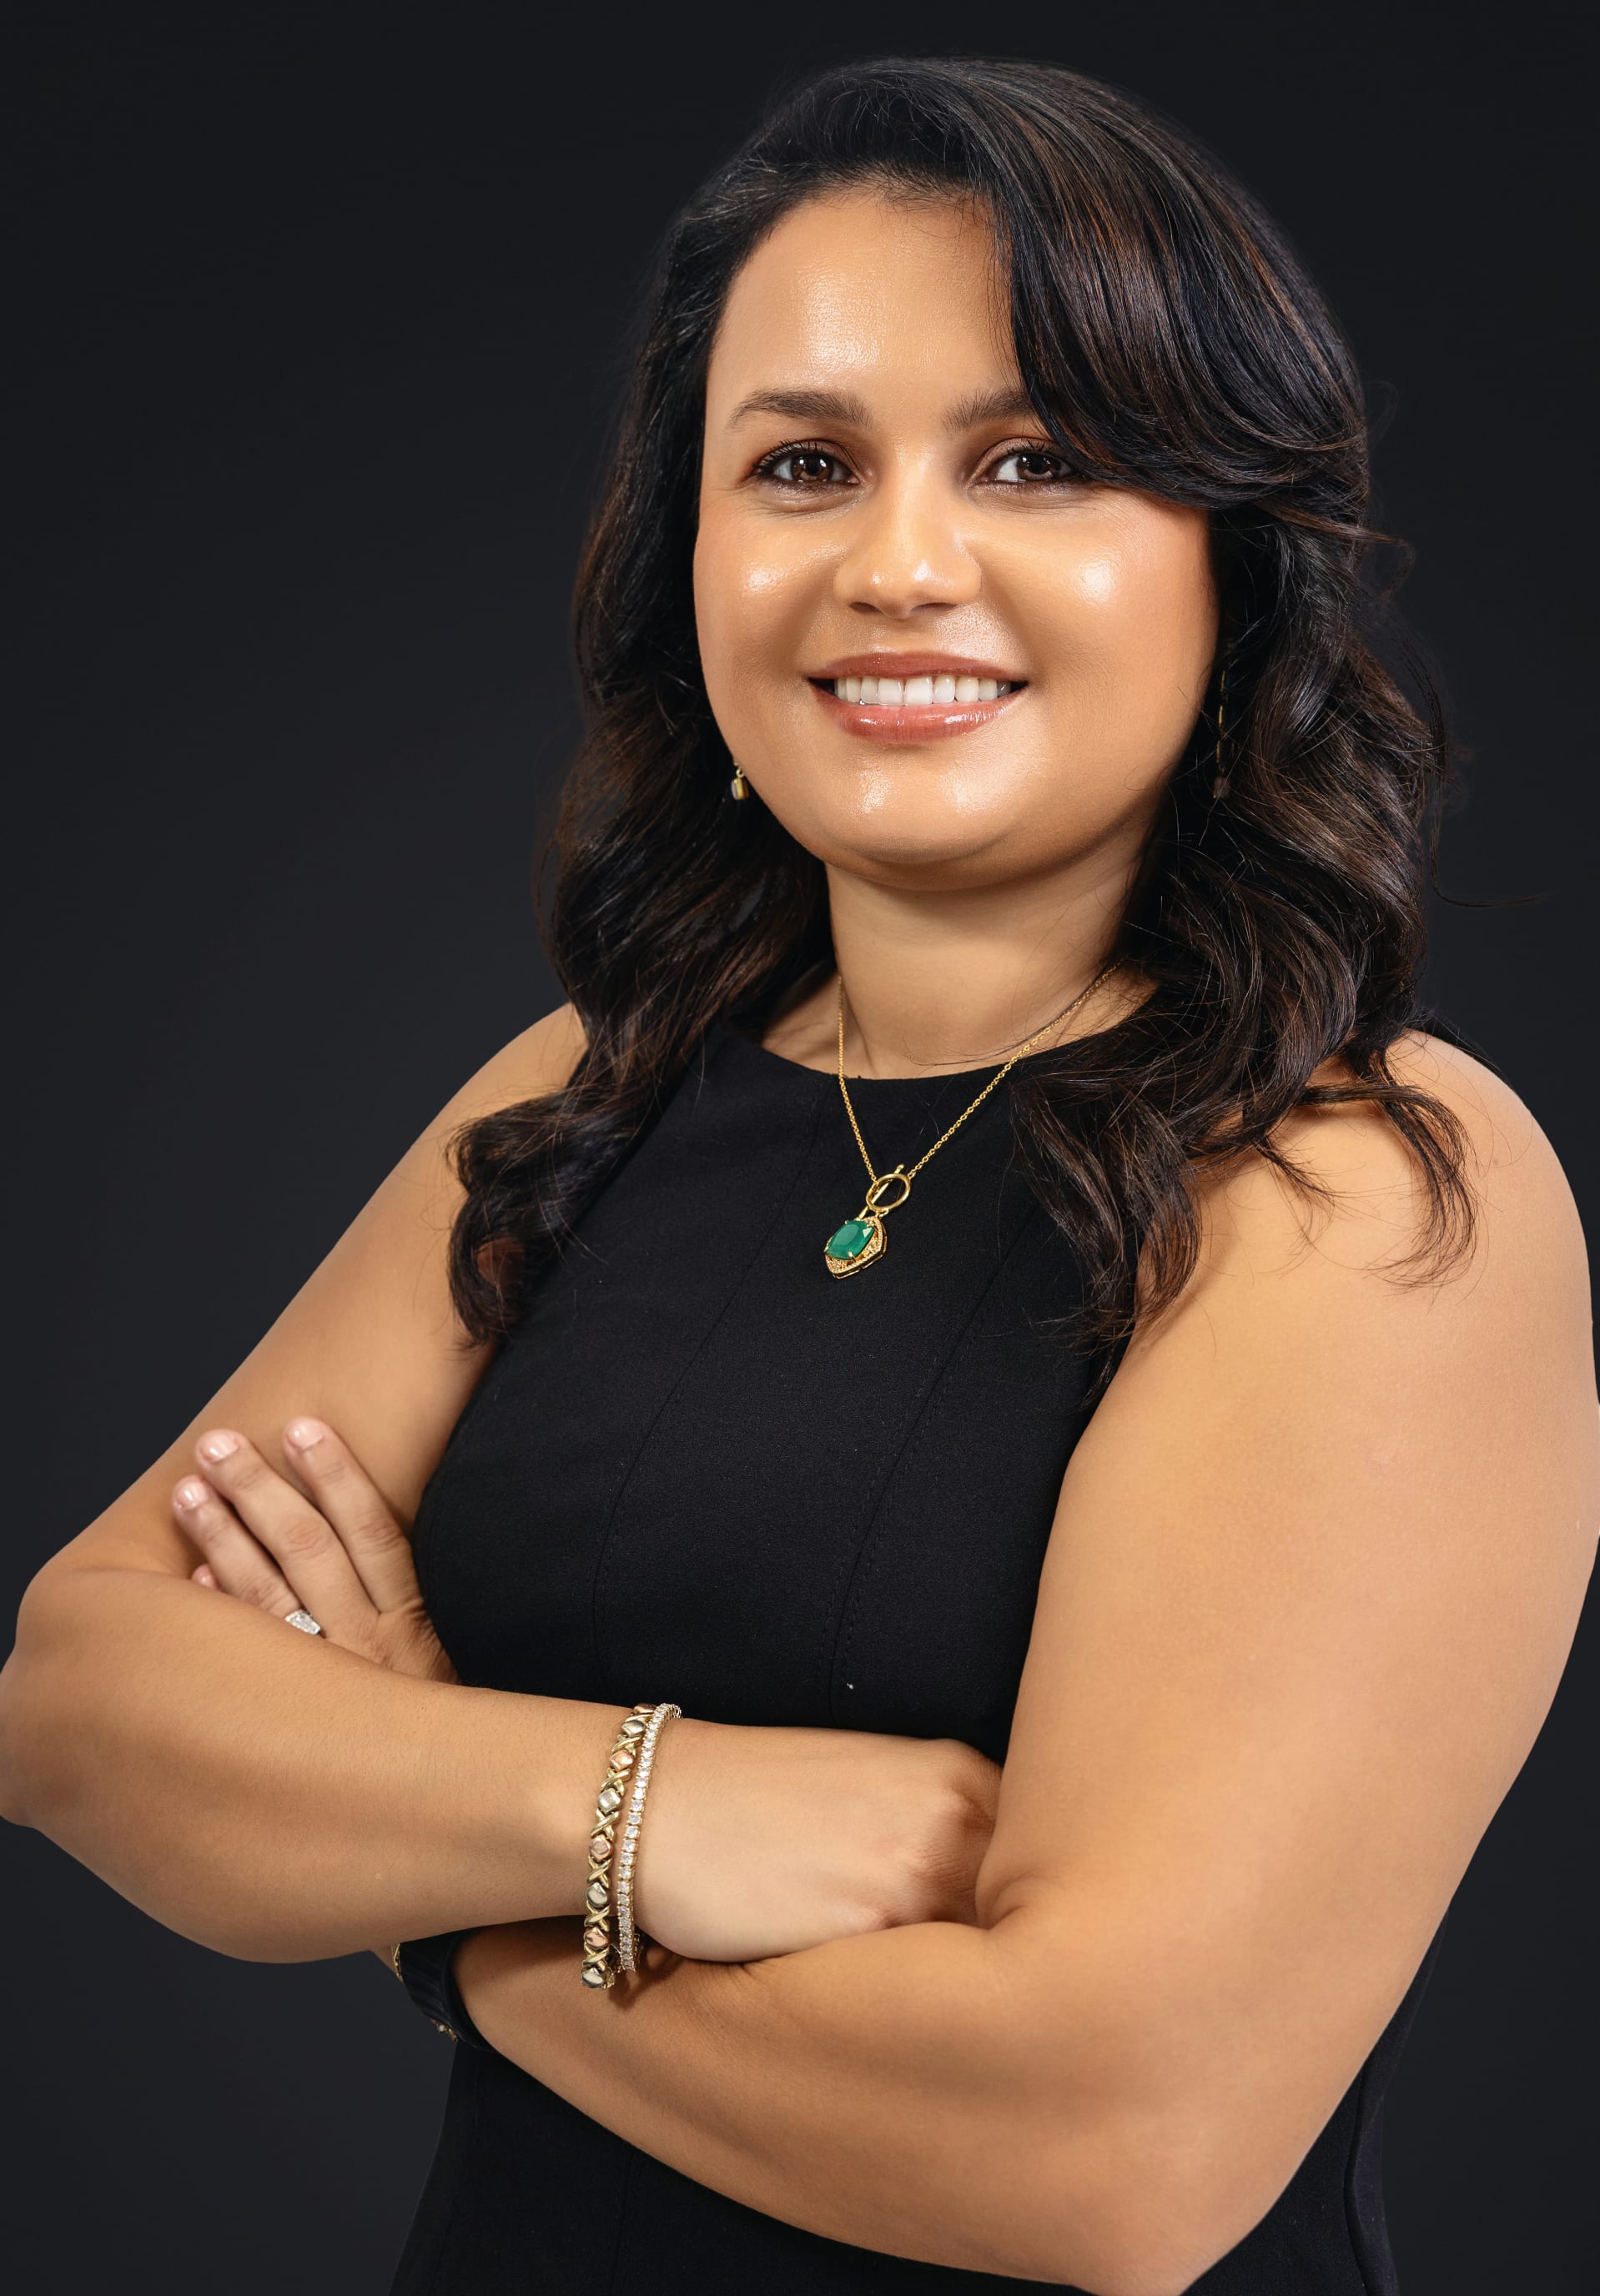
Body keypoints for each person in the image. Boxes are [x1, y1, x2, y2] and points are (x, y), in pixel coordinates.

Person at [1, 54, 1593, 2296]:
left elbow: (1105, 2150)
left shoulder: (1362, 1184)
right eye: (804, 466)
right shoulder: (592, 1088)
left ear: (1231, 565)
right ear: (694, 558)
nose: (899, 565)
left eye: (1036, 459)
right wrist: (647, 1808)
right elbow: (78, 1693)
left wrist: (425, 1874)